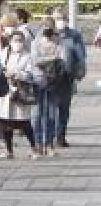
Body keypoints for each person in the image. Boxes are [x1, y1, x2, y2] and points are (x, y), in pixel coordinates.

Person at [48, 6, 87, 148]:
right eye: (58, 18)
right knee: (50, 108)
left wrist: (81, 70)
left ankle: (60, 136)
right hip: (49, 77)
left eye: (63, 18)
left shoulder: (74, 35)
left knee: (64, 108)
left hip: (66, 76)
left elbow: (81, 55)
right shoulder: (47, 34)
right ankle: (49, 136)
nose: (61, 21)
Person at [32, 17, 70, 158]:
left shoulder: (59, 41)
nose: (46, 31)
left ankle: (49, 144)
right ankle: (37, 144)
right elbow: (34, 60)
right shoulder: (36, 42)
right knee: (37, 115)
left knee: (51, 114)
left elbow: (64, 59)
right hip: (38, 80)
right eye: (44, 28)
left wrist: (55, 46)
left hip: (54, 82)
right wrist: (52, 58)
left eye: (49, 29)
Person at [0, 29, 36, 160]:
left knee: (24, 121)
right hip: (5, 92)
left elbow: (31, 75)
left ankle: (34, 148)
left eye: (20, 40)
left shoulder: (28, 56)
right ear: (10, 41)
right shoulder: (2, 54)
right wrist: (2, 73)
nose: (17, 43)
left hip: (20, 91)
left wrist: (16, 73)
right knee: (4, 121)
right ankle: (8, 150)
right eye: (15, 40)